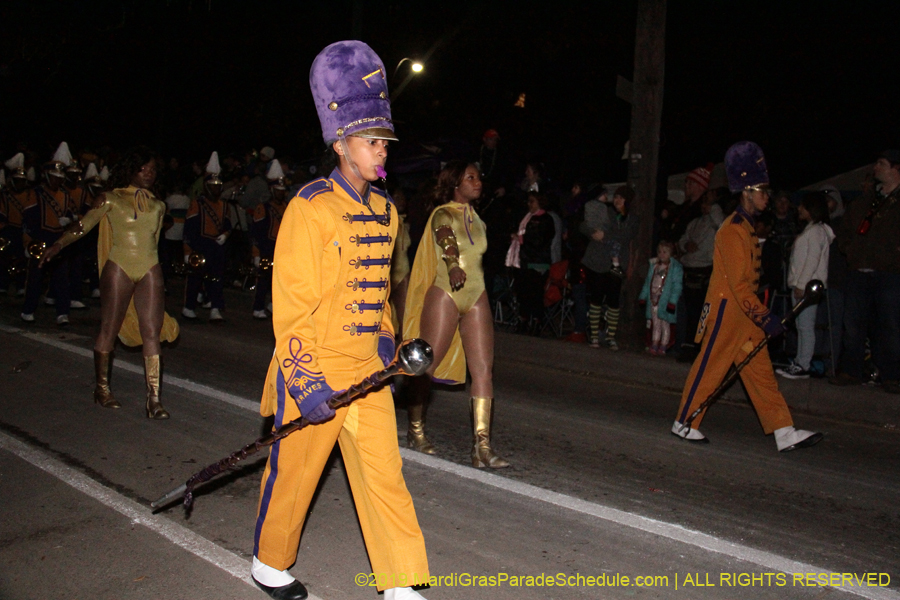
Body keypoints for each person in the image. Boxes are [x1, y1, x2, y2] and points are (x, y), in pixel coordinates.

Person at [251, 41, 429, 600]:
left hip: (367, 370)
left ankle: (400, 582)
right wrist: (304, 382)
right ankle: (269, 563)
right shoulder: (310, 207)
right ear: (340, 143)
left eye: (384, 143)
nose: (382, 152)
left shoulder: (388, 211)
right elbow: (292, 308)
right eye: (372, 142)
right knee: (297, 473)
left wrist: (386, 341)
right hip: (316, 364)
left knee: (384, 475)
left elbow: (381, 295)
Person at [671, 141, 822, 452]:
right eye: (762, 191)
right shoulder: (733, 229)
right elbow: (739, 286)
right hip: (727, 313)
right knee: (711, 367)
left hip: (743, 315)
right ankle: (684, 421)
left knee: (761, 373)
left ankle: (783, 430)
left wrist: (759, 317)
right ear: (746, 192)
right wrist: (765, 317)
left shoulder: (747, 227)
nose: (767, 197)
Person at [40, 146, 179, 418]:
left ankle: (154, 400)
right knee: (109, 328)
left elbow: (155, 242)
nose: (148, 173)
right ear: (131, 170)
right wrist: (58, 245)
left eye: (152, 170)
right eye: (143, 168)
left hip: (150, 268)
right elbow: (83, 226)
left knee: (152, 332)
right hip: (119, 267)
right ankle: (102, 388)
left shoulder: (159, 205)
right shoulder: (110, 199)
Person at [404, 161, 509, 468]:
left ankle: (482, 447)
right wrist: (452, 265)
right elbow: (446, 238)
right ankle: (415, 430)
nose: (478, 182)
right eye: (470, 178)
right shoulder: (443, 213)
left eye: (479, 177)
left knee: (483, 371)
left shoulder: (478, 219)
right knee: (426, 364)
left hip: (475, 294)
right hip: (446, 293)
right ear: (455, 184)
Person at [829, 149, 900, 394]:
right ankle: (851, 370)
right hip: (859, 270)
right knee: (853, 323)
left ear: (896, 169)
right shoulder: (864, 202)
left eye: (881, 163)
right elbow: (844, 232)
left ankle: (892, 375)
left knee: (890, 325)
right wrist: (850, 250)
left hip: (890, 273)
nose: (875, 168)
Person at [776, 192, 833, 379]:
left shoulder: (816, 231)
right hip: (804, 286)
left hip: (807, 288)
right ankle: (800, 362)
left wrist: (802, 285)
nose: (799, 209)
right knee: (802, 325)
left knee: (805, 326)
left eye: (803, 206)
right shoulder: (812, 229)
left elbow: (812, 260)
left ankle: (803, 365)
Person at [20, 144, 77, 325]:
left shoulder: (65, 195)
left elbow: (71, 214)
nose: (57, 180)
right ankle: (28, 310)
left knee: (61, 278)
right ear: (46, 175)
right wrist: (29, 243)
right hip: (40, 238)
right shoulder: (35, 193)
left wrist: (68, 220)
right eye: (54, 177)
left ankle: (62, 313)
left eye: (60, 177)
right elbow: (28, 219)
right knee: (35, 277)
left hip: (58, 239)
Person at [580, 185, 639, 350]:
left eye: (621, 197)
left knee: (613, 299)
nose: (617, 200)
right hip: (598, 261)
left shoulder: (632, 219)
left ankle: (610, 336)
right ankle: (594, 335)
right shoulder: (605, 212)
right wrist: (592, 232)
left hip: (617, 263)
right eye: (616, 197)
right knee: (596, 297)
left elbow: (625, 236)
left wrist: (605, 236)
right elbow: (584, 225)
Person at [675, 188, 725, 362]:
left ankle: (699, 348)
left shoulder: (716, 223)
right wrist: (685, 245)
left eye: (708, 203)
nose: (705, 206)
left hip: (705, 271)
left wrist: (714, 206)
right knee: (689, 312)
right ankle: (687, 345)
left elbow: (721, 224)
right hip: (689, 269)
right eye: (704, 203)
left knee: (703, 312)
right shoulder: (694, 223)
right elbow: (682, 239)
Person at [182, 151, 231, 322]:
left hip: (217, 246)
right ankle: (189, 307)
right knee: (195, 277)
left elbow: (227, 225)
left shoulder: (224, 206)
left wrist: (225, 234)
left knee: (217, 278)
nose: (216, 188)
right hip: (200, 245)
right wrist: (187, 250)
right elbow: (189, 228)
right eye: (213, 185)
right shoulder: (197, 204)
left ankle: (215, 308)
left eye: (218, 185)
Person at [505, 191, 555, 333]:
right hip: (524, 261)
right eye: (528, 201)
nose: (529, 204)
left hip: (538, 262)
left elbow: (540, 240)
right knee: (523, 292)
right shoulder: (527, 217)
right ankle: (524, 320)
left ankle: (536, 321)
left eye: (532, 201)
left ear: (540, 202)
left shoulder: (546, 219)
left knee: (536, 293)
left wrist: (521, 239)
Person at [250, 159, 288, 320]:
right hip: (267, 248)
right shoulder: (263, 208)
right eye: (277, 190)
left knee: (282, 281)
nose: (280, 193)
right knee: (263, 279)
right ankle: (258, 307)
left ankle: (274, 304)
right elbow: (256, 232)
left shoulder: (287, 207)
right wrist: (256, 253)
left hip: (283, 249)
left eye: (282, 190)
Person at [638, 240, 683, 356]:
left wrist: (672, 301)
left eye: (665, 252)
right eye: (659, 252)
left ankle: (663, 344)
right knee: (655, 323)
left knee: (665, 324)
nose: (662, 254)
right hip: (654, 300)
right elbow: (648, 283)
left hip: (665, 301)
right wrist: (643, 296)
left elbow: (677, 286)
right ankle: (654, 343)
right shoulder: (654, 267)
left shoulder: (675, 269)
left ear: (670, 253)